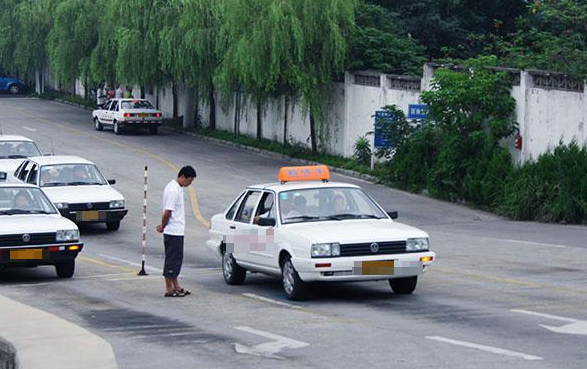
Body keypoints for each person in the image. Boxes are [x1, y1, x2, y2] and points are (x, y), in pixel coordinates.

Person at [156, 165, 197, 298]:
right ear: (182, 177)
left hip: (176, 230)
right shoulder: (173, 190)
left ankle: (176, 286)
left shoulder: (177, 188)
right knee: (172, 261)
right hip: (173, 231)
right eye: (189, 180)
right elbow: (168, 211)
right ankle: (169, 289)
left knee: (176, 260)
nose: (189, 183)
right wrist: (162, 226)